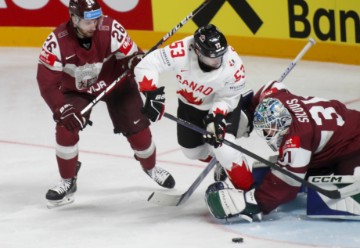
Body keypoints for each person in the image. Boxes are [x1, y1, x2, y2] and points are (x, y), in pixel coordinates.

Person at [36, 0, 175, 208]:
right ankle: (67, 179)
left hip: (116, 84)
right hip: (78, 91)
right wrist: (61, 108)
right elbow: (46, 82)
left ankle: (151, 167)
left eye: (97, 18)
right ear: (74, 19)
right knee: (66, 128)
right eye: (88, 21)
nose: (95, 24)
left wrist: (134, 62)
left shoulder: (111, 28)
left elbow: (133, 55)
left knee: (140, 134)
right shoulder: (56, 41)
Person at [204, 80, 360, 222]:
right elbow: (272, 86)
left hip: (353, 144)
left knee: (347, 185)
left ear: (282, 124)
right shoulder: (278, 100)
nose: (266, 135)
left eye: (269, 131)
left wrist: (252, 202)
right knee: (308, 167)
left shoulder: (297, 140)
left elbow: (287, 184)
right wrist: (250, 112)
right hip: (339, 132)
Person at [134, 24, 254, 191]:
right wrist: (150, 92)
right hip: (189, 106)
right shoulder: (182, 51)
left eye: (220, 56)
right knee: (192, 152)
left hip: (221, 106)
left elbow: (228, 98)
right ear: (197, 51)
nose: (217, 61)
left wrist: (216, 117)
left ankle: (249, 192)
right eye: (211, 57)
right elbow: (147, 64)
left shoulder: (234, 66)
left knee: (225, 150)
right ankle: (219, 159)